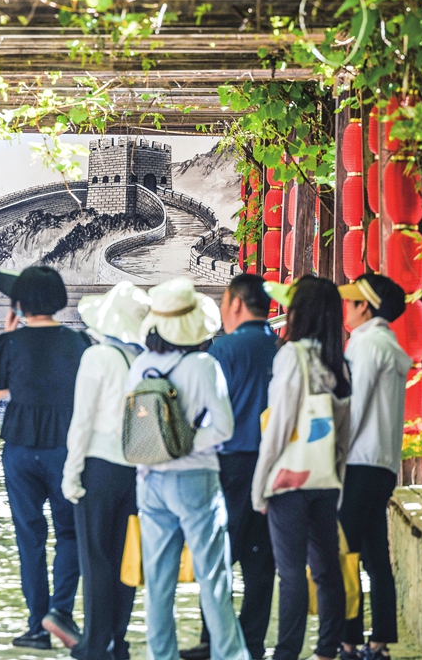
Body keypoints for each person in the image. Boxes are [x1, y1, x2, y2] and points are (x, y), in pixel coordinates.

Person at [127, 277, 249, 660]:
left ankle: (160, 654)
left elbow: (131, 425)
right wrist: (183, 445)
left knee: (158, 581)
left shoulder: (140, 365)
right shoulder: (203, 364)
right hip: (196, 479)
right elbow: (225, 427)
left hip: (149, 480)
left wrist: (162, 450)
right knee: (213, 578)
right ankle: (230, 655)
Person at [0, 266, 92, 649]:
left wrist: (6, 334)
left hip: (19, 448)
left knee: (29, 537)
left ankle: (36, 626)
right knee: (69, 532)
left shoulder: (11, 343)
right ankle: (59, 612)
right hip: (65, 449)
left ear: (20, 304)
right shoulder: (80, 342)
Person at [251, 276, 353, 660]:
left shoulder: (290, 356)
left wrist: (260, 486)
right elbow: (344, 432)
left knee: (291, 572)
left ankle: (287, 652)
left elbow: (278, 429)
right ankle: (327, 649)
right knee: (327, 569)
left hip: (289, 481)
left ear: (299, 313)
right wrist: (335, 477)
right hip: (324, 480)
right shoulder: (337, 362)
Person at [180, 275, 280, 660]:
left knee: (219, 553)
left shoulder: (223, 351)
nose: (222, 312)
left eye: (223, 303)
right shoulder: (281, 347)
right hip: (272, 463)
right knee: (262, 558)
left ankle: (214, 639)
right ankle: (253, 642)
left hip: (230, 463)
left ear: (236, 304)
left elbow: (202, 412)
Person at [62, 282, 152, 660]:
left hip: (97, 469)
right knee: (122, 559)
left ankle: (95, 643)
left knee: (95, 558)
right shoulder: (144, 362)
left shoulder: (97, 358)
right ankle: (117, 639)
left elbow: (81, 421)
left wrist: (71, 471)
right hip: (134, 472)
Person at [337, 275, 411, 660]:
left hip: (358, 462)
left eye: (350, 303)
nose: (345, 309)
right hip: (381, 464)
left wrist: (333, 457)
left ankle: (348, 640)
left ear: (364, 307)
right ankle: (378, 639)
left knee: (346, 553)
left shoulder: (366, 346)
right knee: (375, 555)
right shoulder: (388, 345)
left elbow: (354, 406)